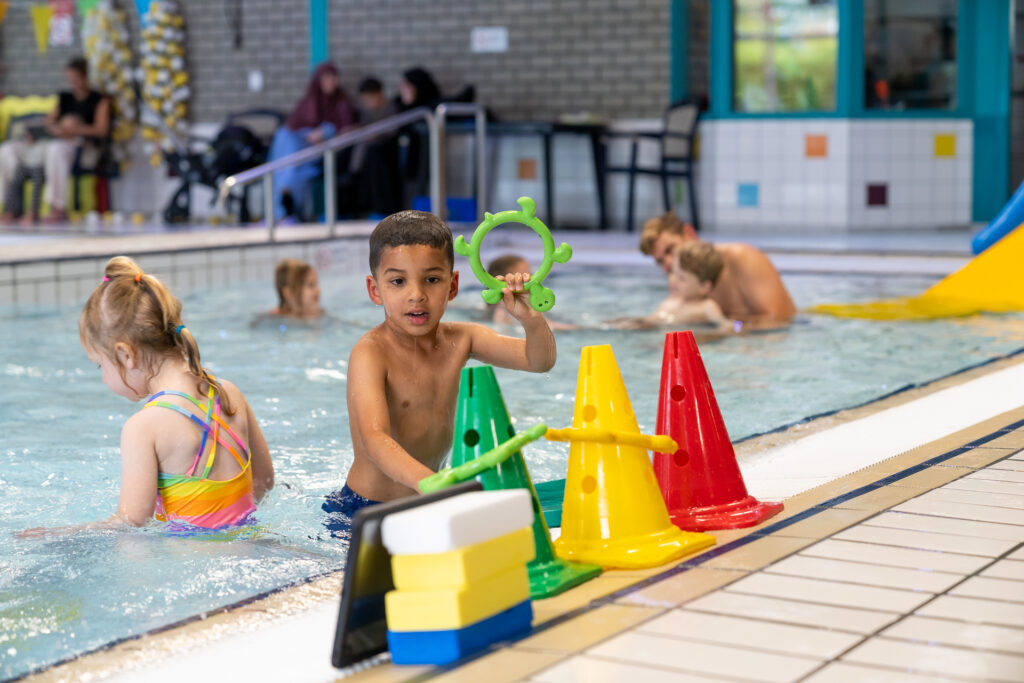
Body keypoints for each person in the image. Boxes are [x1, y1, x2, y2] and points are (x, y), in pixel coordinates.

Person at [322, 211, 555, 537]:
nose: (416, 294)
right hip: (366, 509)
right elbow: (375, 440)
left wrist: (530, 319)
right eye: (398, 281)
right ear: (375, 290)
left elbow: (539, 361)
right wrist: (434, 485)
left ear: (453, 285)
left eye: (431, 279)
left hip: (429, 497)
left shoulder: (463, 339)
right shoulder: (371, 352)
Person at [19, 257, 274, 537]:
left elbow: (130, 523)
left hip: (190, 566)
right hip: (255, 543)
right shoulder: (227, 392)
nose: (103, 377)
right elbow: (264, 480)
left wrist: (56, 534)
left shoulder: (144, 427)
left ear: (126, 355)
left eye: (100, 365)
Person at [0, 56, 110, 224]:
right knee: (7, 149)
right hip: (53, 140)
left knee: (56, 149)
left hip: (80, 145)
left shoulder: (99, 100)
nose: (72, 83)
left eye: (76, 79)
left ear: (86, 77)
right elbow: (49, 121)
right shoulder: (64, 98)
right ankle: (9, 206)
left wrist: (74, 129)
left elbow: (101, 130)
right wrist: (41, 131)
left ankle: (57, 207)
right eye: (69, 79)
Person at [639, 212, 796, 329]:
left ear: (689, 233)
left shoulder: (741, 258)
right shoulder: (684, 284)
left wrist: (729, 331)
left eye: (670, 249)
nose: (668, 263)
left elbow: (779, 320)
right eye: (660, 261)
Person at [267, 62, 355, 221]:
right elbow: (295, 126)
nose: (331, 83)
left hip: (321, 152)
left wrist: (326, 132)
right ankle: (282, 210)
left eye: (334, 79)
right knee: (286, 145)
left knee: (296, 167)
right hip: (297, 152)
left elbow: (346, 129)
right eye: (327, 79)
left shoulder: (341, 102)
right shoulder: (309, 101)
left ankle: (287, 210)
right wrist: (308, 135)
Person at [609, 241, 733, 331]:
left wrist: (712, 335)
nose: (674, 280)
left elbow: (727, 326)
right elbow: (651, 321)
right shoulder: (669, 302)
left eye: (682, 278)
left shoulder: (707, 307)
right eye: (672, 272)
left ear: (704, 287)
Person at [485, 254, 579, 330]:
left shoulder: (492, 308)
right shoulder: (503, 313)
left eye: (531, 275)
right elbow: (550, 327)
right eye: (524, 277)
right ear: (505, 282)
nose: (531, 280)